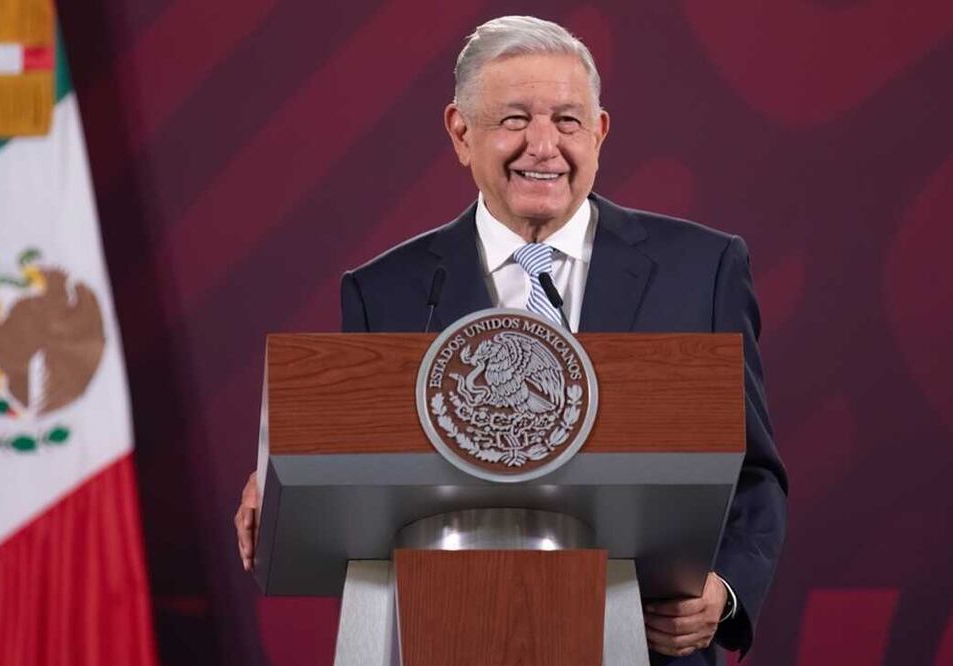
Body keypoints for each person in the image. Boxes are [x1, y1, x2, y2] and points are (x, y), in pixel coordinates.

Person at [235, 15, 787, 664]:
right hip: (447, 639)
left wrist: (723, 591)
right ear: (461, 134)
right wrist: (290, 479)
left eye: (568, 120)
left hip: (641, 641)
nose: (544, 146)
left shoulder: (702, 269)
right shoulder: (386, 291)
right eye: (515, 119)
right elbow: (367, 465)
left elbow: (753, 470)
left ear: (601, 133)